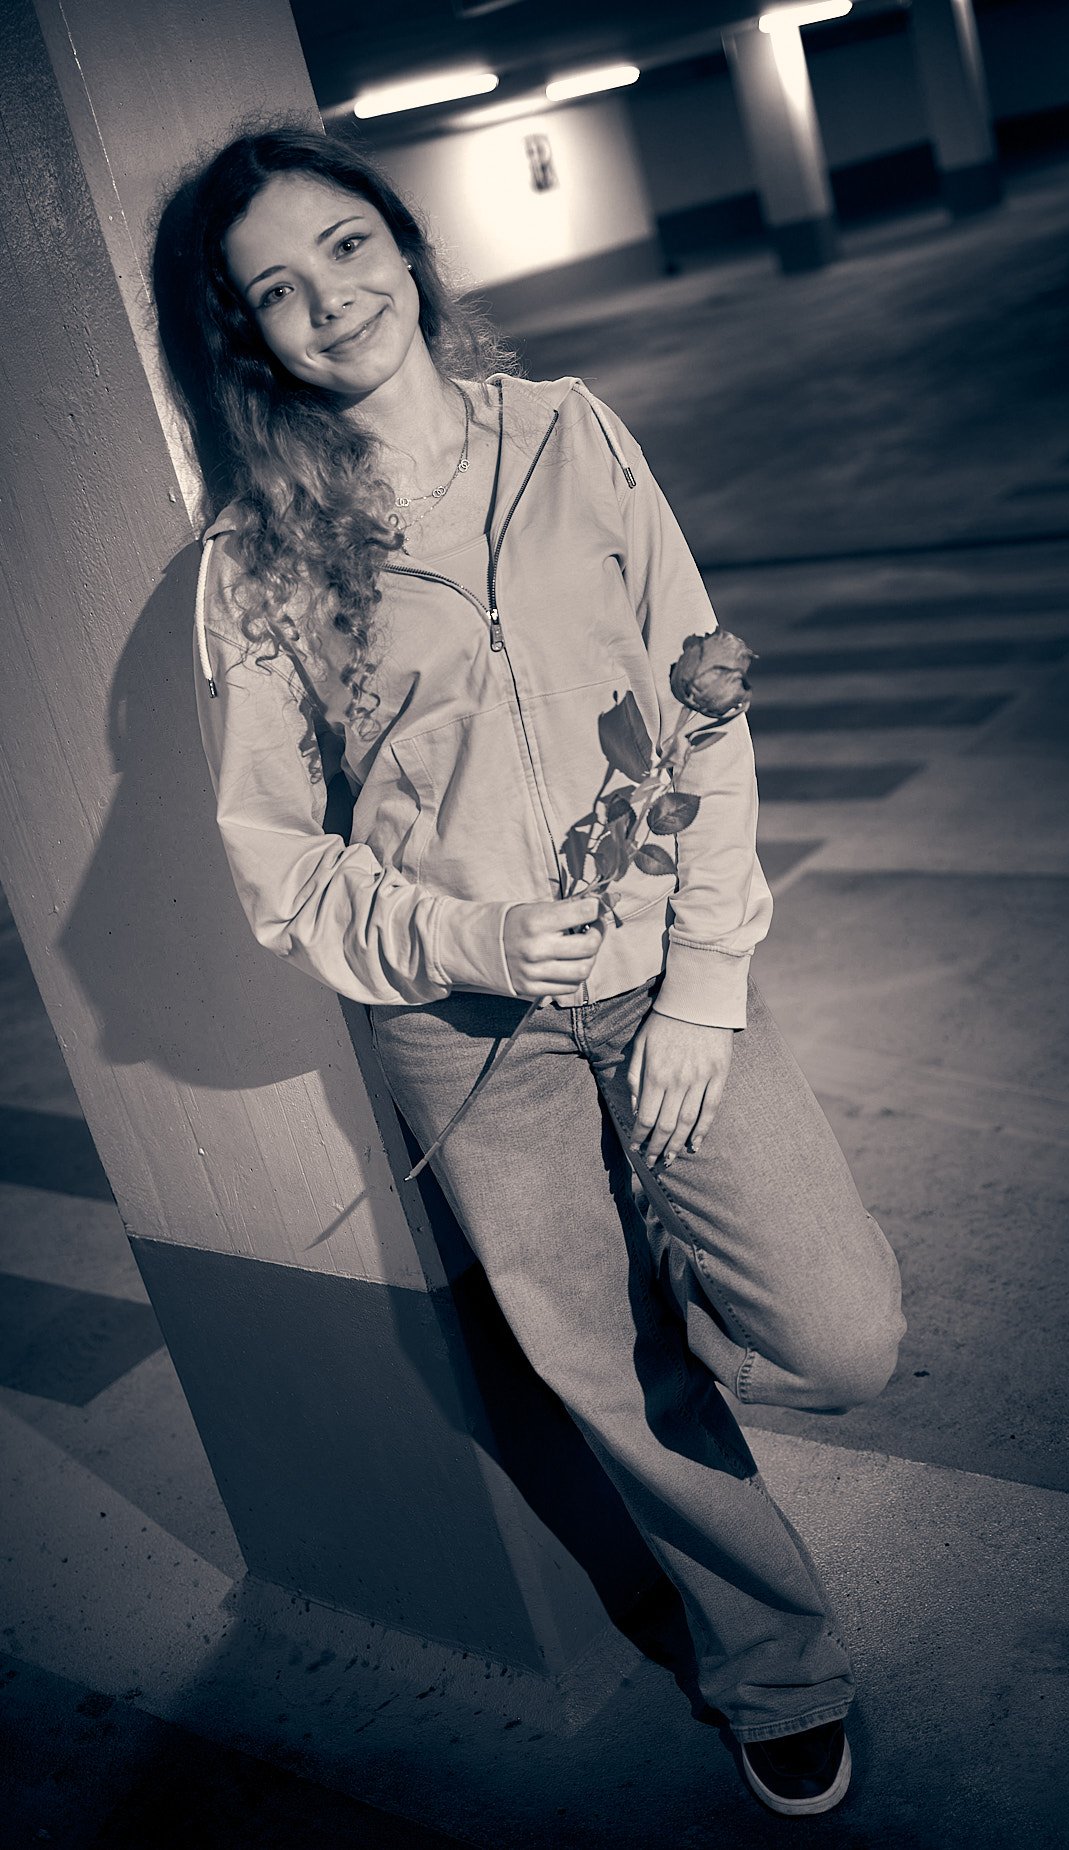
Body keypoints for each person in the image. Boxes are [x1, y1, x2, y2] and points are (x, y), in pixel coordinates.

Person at [177, 123, 906, 1820]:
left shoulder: (571, 434)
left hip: (661, 978)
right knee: (610, 1373)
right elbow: (276, 856)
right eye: (275, 291)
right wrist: (472, 935)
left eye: (346, 249)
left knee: (842, 1328)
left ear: (408, 251)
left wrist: (707, 983)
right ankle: (775, 1665)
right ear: (249, 337)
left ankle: (679, 1272)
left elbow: (699, 703)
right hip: (463, 1030)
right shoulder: (259, 558)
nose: (328, 303)